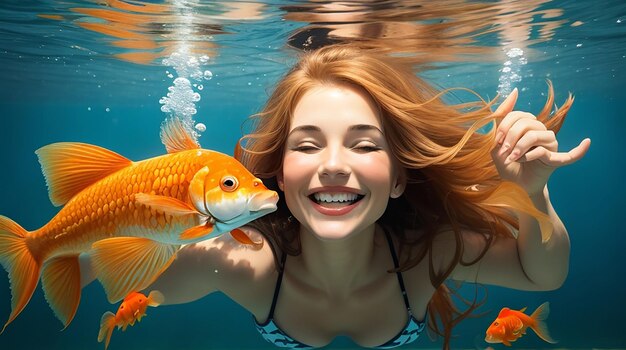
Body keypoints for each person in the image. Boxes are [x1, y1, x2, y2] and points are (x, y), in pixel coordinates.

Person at [148, 44, 590, 349]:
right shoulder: (243, 261)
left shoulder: (427, 253)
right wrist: (125, 208)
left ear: (399, 178)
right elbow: (99, 265)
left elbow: (542, 276)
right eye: (306, 145)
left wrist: (532, 193)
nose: (334, 164)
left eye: (364, 145)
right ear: (279, 175)